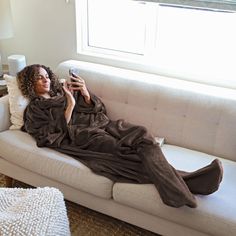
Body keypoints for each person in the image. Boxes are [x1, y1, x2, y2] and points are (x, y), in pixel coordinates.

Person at [17, 64, 223, 208]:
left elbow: (96, 111)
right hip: (85, 137)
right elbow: (48, 138)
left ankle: (179, 190)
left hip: (104, 124)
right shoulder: (35, 110)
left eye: (46, 76)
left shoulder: (62, 92)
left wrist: (85, 95)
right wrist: (70, 105)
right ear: (30, 84)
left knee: (142, 135)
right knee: (127, 154)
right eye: (38, 78)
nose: (45, 80)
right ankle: (192, 184)